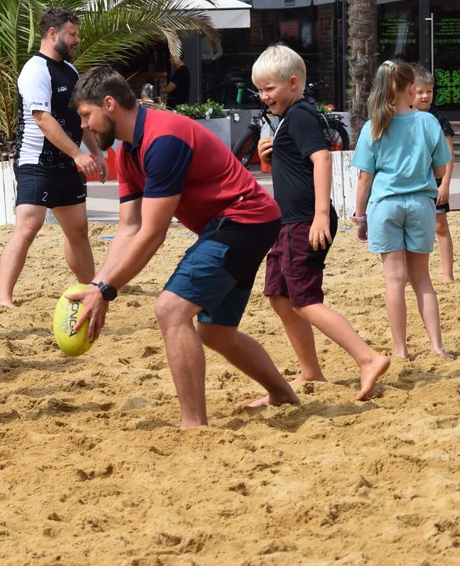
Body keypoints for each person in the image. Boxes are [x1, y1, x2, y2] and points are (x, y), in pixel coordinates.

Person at [68, 66, 298, 429]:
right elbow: (129, 228)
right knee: (214, 332)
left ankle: (193, 423)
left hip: (243, 221)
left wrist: (106, 290)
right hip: (239, 223)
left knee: (171, 310)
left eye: (86, 115)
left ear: (109, 104)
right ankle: (282, 394)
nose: (84, 126)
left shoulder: (163, 138)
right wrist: (97, 285)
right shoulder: (130, 152)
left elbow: (153, 234)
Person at [253, 46, 390, 401]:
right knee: (279, 295)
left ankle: (368, 358)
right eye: (260, 90)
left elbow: (321, 160)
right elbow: (295, 165)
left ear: (293, 83)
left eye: (270, 88)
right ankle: (311, 370)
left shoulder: (299, 115)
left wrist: (319, 216)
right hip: (287, 222)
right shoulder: (289, 118)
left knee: (304, 299)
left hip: (304, 222)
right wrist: (272, 153)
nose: (264, 96)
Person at [0, 7, 106, 308]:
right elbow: (43, 118)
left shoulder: (70, 71)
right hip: (37, 162)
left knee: (78, 231)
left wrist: (96, 152)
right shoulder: (35, 70)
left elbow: (80, 117)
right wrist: (78, 155)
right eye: (72, 34)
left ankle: (90, 288)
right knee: (28, 226)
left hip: (68, 164)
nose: (78, 40)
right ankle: (4, 297)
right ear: (52, 34)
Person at [352, 61, 453, 360]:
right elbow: (440, 167)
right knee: (422, 278)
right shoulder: (428, 122)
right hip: (421, 204)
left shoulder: (374, 125)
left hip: (385, 205)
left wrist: (359, 218)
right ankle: (436, 346)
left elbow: (364, 179)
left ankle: (401, 349)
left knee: (394, 280)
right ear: (412, 89)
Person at [412, 66, 456, 282]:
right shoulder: (403, 116)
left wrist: (445, 184)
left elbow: (448, 154)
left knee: (440, 226)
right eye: (420, 91)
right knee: (415, 229)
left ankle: (447, 275)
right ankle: (416, 275)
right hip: (412, 182)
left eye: (429, 91)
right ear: (410, 91)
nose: (425, 96)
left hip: (436, 181)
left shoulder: (438, 117)